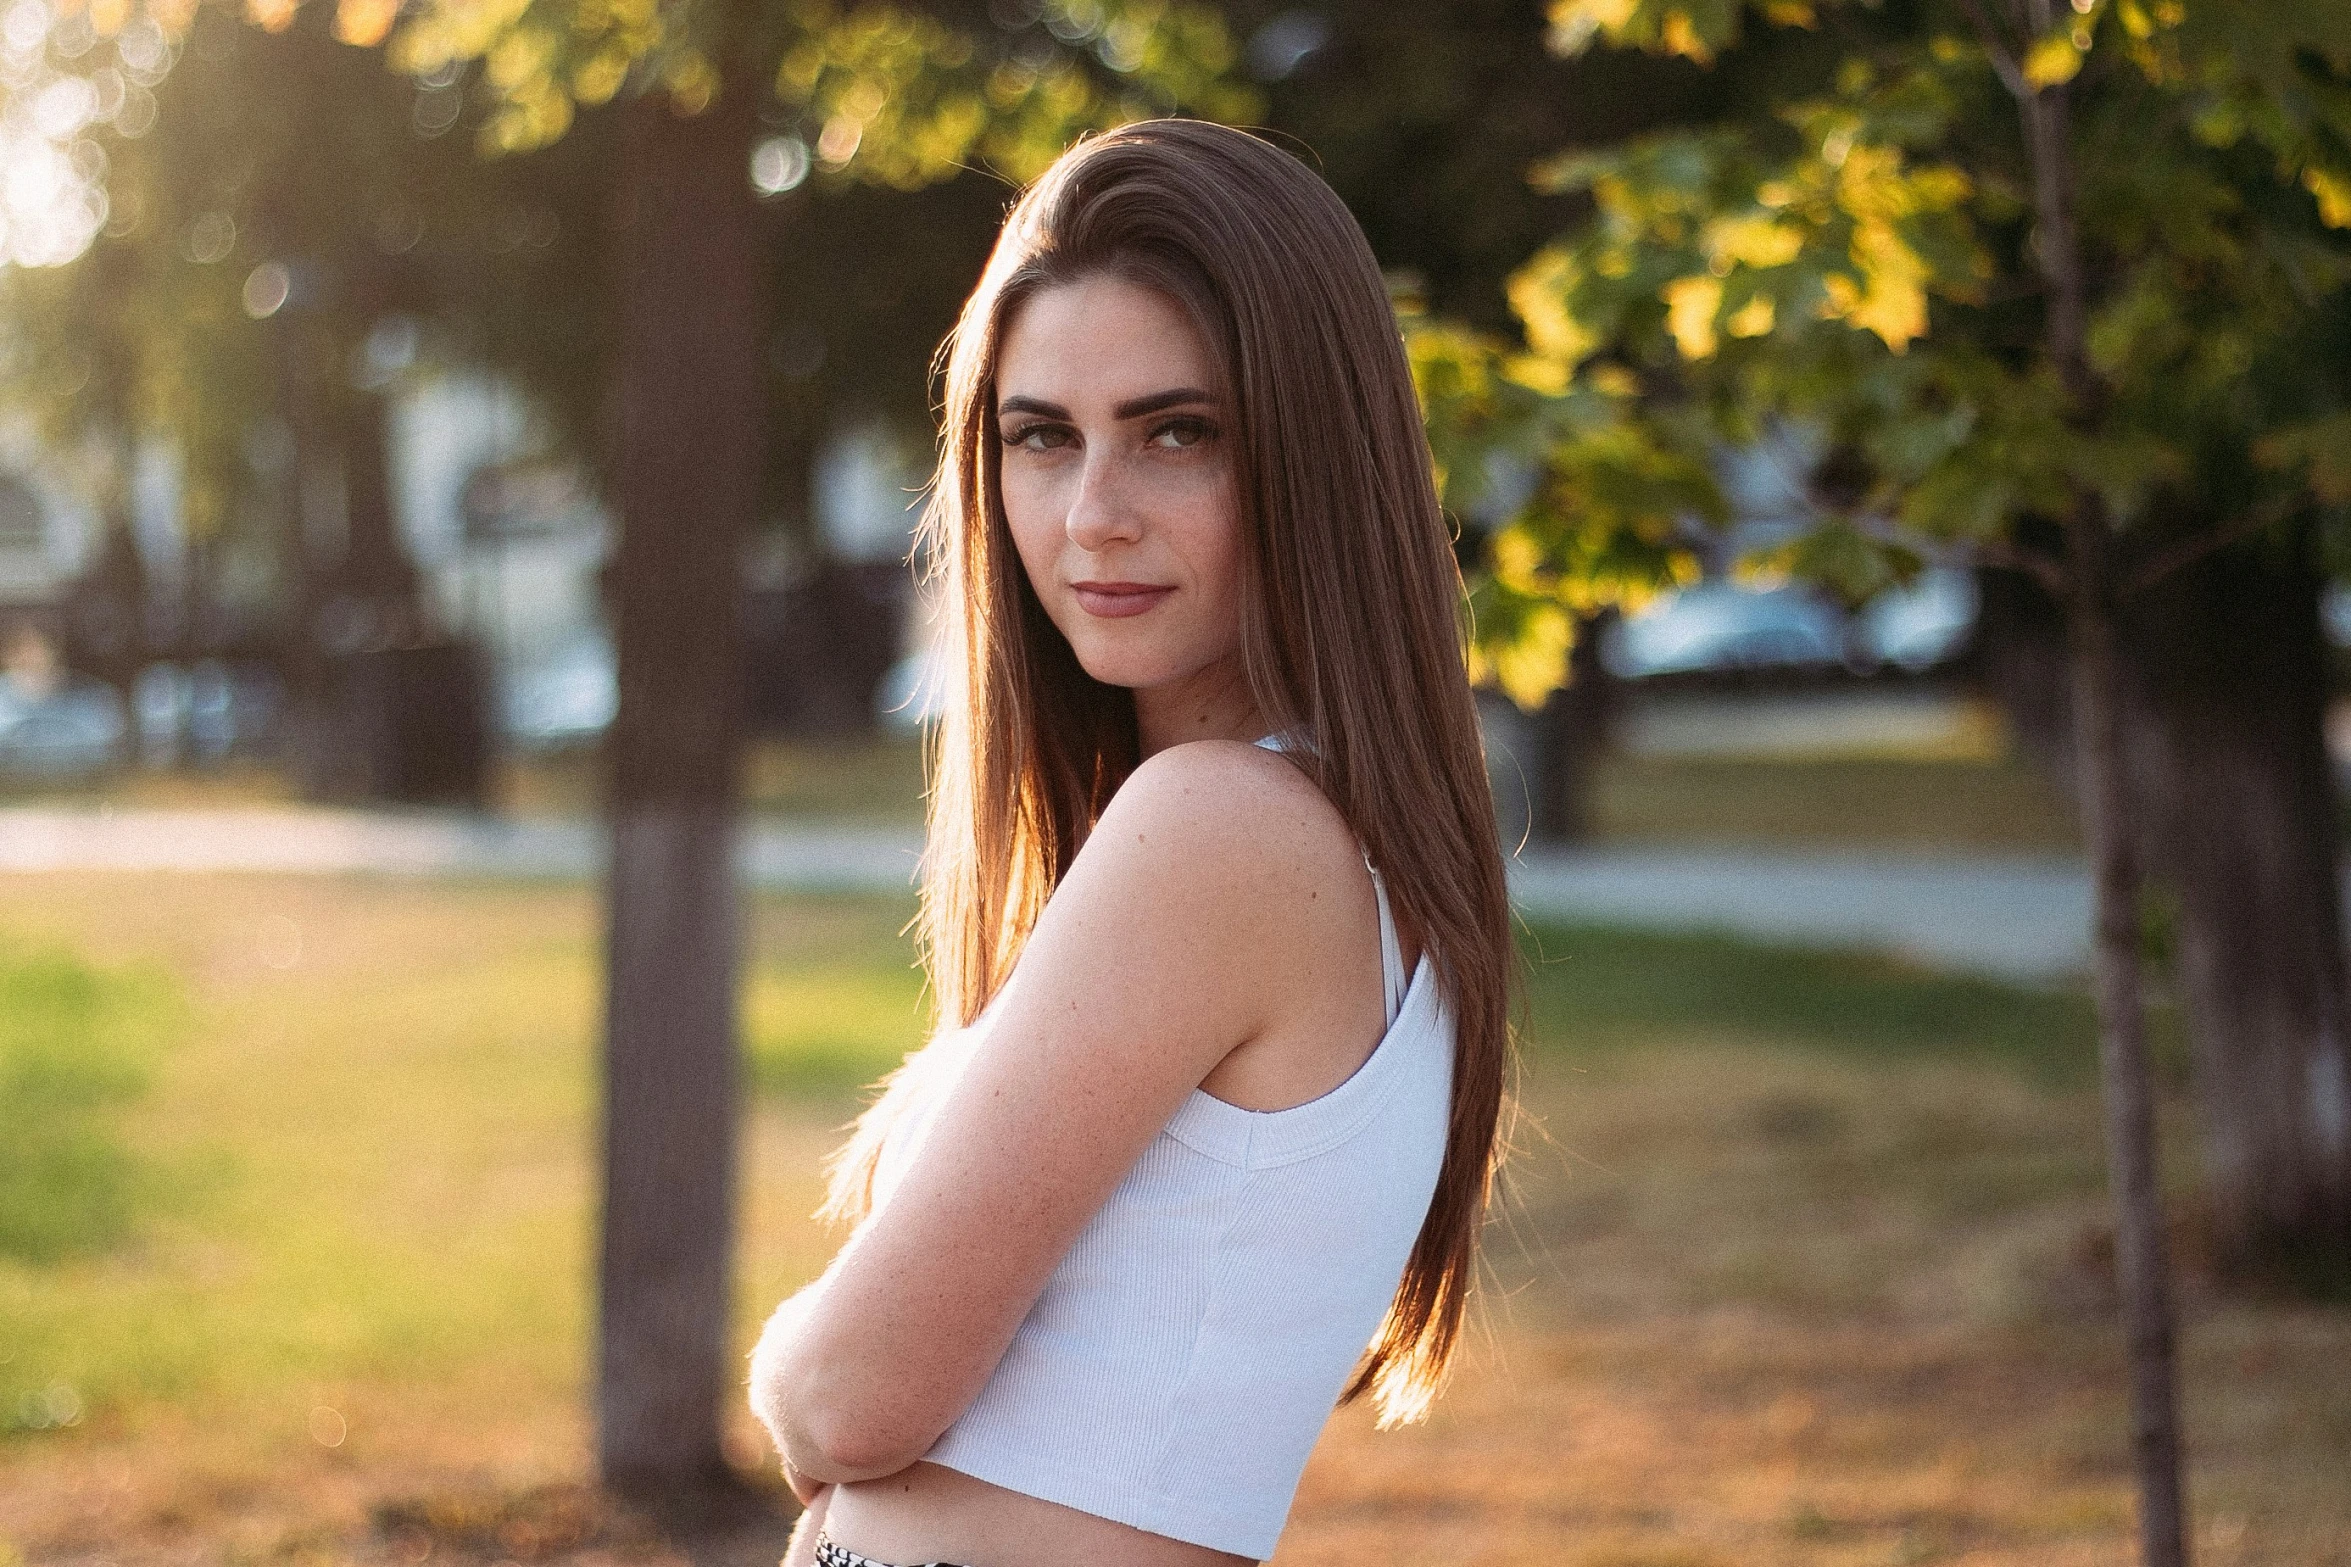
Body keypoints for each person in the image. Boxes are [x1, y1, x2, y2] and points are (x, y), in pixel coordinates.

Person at [747, 118, 1515, 1567]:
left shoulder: (1224, 828)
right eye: (1041, 437)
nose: (1092, 516)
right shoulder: (1315, 829)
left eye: (1179, 432)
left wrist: (786, 1363)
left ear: (1309, 452)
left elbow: (850, 1396)